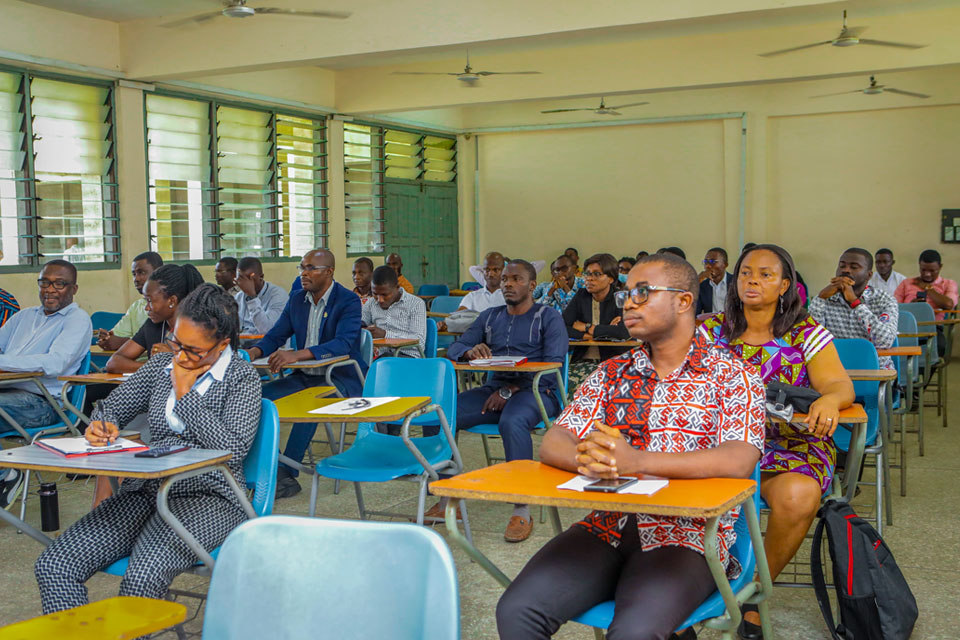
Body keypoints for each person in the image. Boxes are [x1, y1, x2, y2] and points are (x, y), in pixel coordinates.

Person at [496, 253, 765, 640]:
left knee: (634, 632)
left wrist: (635, 461)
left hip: (688, 538)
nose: (629, 303)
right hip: (608, 527)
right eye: (626, 295)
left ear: (684, 301)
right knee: (518, 610)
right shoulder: (611, 373)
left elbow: (739, 458)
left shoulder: (733, 376)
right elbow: (556, 440)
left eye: (643, 292)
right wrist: (593, 461)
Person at [34, 284, 261, 613]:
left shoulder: (242, 378)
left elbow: (232, 449)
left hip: (210, 497)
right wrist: (103, 424)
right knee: (56, 566)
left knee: (141, 578)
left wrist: (186, 396)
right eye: (176, 344)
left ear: (222, 344)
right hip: (146, 491)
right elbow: (111, 407)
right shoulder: (160, 368)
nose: (181, 357)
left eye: (193, 350)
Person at [700, 244, 854, 639]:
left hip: (789, 444)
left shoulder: (806, 332)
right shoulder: (709, 330)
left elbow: (839, 384)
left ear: (785, 285)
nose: (753, 280)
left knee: (798, 496)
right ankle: (695, 587)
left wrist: (829, 400)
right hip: (720, 444)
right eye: (746, 272)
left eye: (766, 274)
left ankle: (750, 593)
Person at [445, 260, 567, 542]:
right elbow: (455, 346)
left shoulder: (548, 317)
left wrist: (510, 391)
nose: (508, 284)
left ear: (532, 285)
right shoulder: (490, 316)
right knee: (443, 414)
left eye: (516, 279)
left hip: (538, 392)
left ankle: (522, 508)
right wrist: (469, 352)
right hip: (494, 389)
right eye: (504, 279)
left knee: (513, 421)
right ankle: (446, 496)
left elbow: (553, 369)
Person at [247, 249, 367, 499]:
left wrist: (298, 355)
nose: (304, 273)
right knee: (254, 398)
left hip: (338, 377)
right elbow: (276, 335)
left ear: (329, 272)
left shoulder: (348, 301)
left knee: (312, 405)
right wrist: (253, 353)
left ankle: (286, 474)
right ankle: (260, 464)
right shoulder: (297, 300)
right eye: (302, 267)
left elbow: (343, 344)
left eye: (311, 268)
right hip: (303, 377)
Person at [0, 260, 92, 509]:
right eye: (44, 282)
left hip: (43, 403)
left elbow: (55, 363)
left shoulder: (77, 320)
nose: (50, 289)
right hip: (7, 392)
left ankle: (6, 474)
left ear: (73, 289)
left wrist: (4, 363)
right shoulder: (24, 316)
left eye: (59, 284)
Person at [105, 264, 205, 374]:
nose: (146, 308)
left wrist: (173, 356)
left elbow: (208, 367)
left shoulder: (202, 327)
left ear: (172, 301)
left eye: (150, 301)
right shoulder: (153, 325)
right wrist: (155, 365)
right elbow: (113, 363)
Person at [810, 248, 898, 370]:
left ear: (869, 275)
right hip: (833, 370)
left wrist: (855, 303)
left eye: (854, 267)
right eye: (842, 266)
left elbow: (885, 341)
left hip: (875, 370)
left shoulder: (884, 300)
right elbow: (811, 340)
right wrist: (820, 298)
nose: (846, 270)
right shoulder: (826, 299)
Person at [563, 253, 630, 396]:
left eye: (597, 274)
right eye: (587, 274)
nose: (589, 278)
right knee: (564, 386)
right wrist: (588, 335)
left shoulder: (620, 297)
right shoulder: (581, 296)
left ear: (611, 278)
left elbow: (624, 332)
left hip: (613, 362)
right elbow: (562, 327)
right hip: (581, 360)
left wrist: (587, 327)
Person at [97, 252, 163, 352]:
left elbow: (159, 345)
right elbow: (116, 336)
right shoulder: (136, 307)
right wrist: (107, 338)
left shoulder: (167, 306)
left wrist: (125, 342)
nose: (136, 279)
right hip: (130, 362)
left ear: (158, 272)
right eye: (134, 274)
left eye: (142, 272)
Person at [362, 265, 427, 358]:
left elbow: (419, 340)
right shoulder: (371, 303)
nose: (380, 299)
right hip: (384, 358)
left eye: (385, 294)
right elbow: (362, 323)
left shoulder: (415, 304)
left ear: (397, 287)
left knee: (381, 366)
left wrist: (385, 335)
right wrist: (362, 328)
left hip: (409, 357)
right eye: (375, 294)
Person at [894, 249, 958, 321]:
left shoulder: (948, 284)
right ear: (919, 265)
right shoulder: (906, 283)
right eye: (923, 270)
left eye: (932, 271)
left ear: (940, 267)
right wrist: (910, 306)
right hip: (909, 324)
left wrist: (928, 288)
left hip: (935, 326)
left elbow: (948, 305)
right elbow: (894, 307)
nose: (927, 274)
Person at [234, 257, 287, 341]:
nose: (245, 284)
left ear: (261, 277)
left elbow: (266, 329)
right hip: (245, 346)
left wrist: (252, 297)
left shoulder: (278, 295)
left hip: (271, 348)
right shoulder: (238, 297)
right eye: (241, 280)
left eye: (250, 280)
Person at [696, 247, 732, 315]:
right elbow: (694, 313)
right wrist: (697, 281)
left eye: (712, 262)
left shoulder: (735, 283)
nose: (708, 266)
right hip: (710, 324)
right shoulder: (702, 286)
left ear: (725, 265)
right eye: (705, 262)